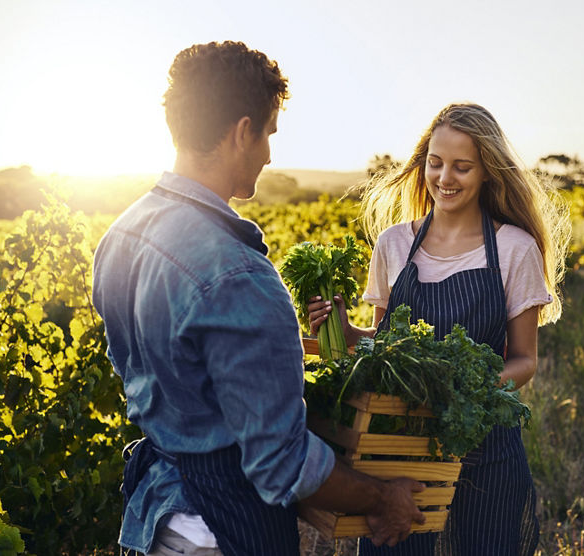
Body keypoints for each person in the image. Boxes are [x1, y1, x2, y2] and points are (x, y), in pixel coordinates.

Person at [92, 41, 426, 556]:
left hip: (154, 519)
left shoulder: (122, 235)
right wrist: (383, 496)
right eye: (269, 132)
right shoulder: (241, 275)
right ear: (242, 131)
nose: (270, 151)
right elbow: (281, 464)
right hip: (219, 532)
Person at [308, 102, 571, 555]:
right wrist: (350, 335)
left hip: (485, 449)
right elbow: (386, 347)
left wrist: (461, 392)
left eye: (462, 167)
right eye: (435, 163)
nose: (444, 178)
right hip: (399, 455)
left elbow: (525, 360)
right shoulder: (394, 243)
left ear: (488, 170)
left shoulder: (513, 248)